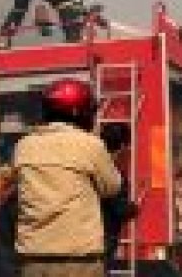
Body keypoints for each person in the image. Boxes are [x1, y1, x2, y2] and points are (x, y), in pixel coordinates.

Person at [13, 78, 122, 277]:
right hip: (78, 260)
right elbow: (111, 188)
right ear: (78, 112)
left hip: (33, 258)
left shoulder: (24, 145)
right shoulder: (90, 145)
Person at [98, 123, 140, 273]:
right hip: (104, 237)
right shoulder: (112, 174)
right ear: (122, 146)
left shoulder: (88, 166)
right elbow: (120, 210)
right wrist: (135, 208)